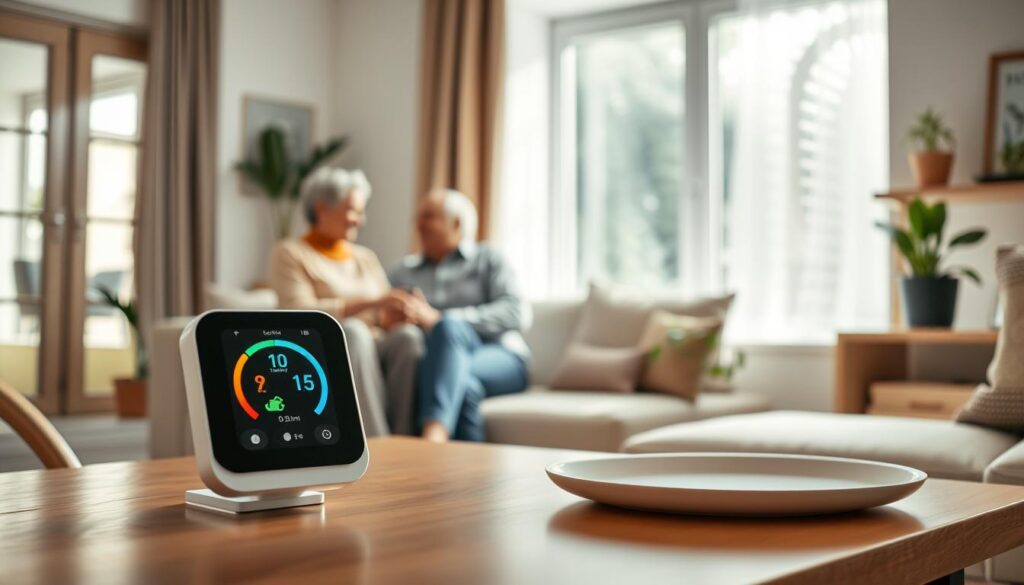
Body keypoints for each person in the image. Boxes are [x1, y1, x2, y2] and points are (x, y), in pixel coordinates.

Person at [270, 167, 423, 436]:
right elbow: (300, 312)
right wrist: (371, 302)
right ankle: (377, 441)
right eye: (353, 210)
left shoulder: (365, 257)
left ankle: (405, 439)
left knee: (408, 337)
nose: (361, 220)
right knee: (353, 331)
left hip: (374, 344)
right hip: (322, 347)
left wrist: (398, 312)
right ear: (322, 209)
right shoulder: (290, 253)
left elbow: (381, 315)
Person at [389, 189, 530, 443]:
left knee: (449, 327)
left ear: (456, 223)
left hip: (501, 356)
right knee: (463, 387)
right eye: (418, 217)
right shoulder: (403, 272)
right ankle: (470, 477)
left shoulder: (487, 258)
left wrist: (440, 318)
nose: (419, 224)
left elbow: (516, 312)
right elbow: (382, 318)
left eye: (429, 216)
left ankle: (433, 436)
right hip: (441, 361)